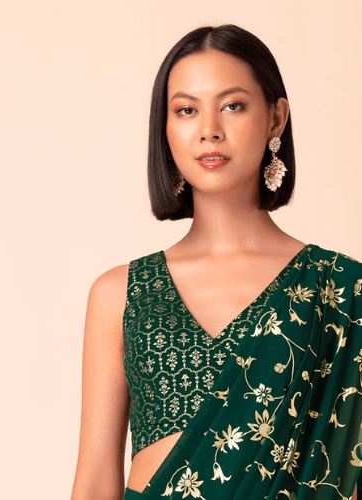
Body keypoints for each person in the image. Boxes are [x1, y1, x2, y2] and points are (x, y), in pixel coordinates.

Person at [70, 24, 362, 500]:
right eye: (186, 110)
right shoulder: (120, 293)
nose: (208, 129)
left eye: (232, 106)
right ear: (165, 129)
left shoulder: (342, 288)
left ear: (276, 119)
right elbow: (95, 479)